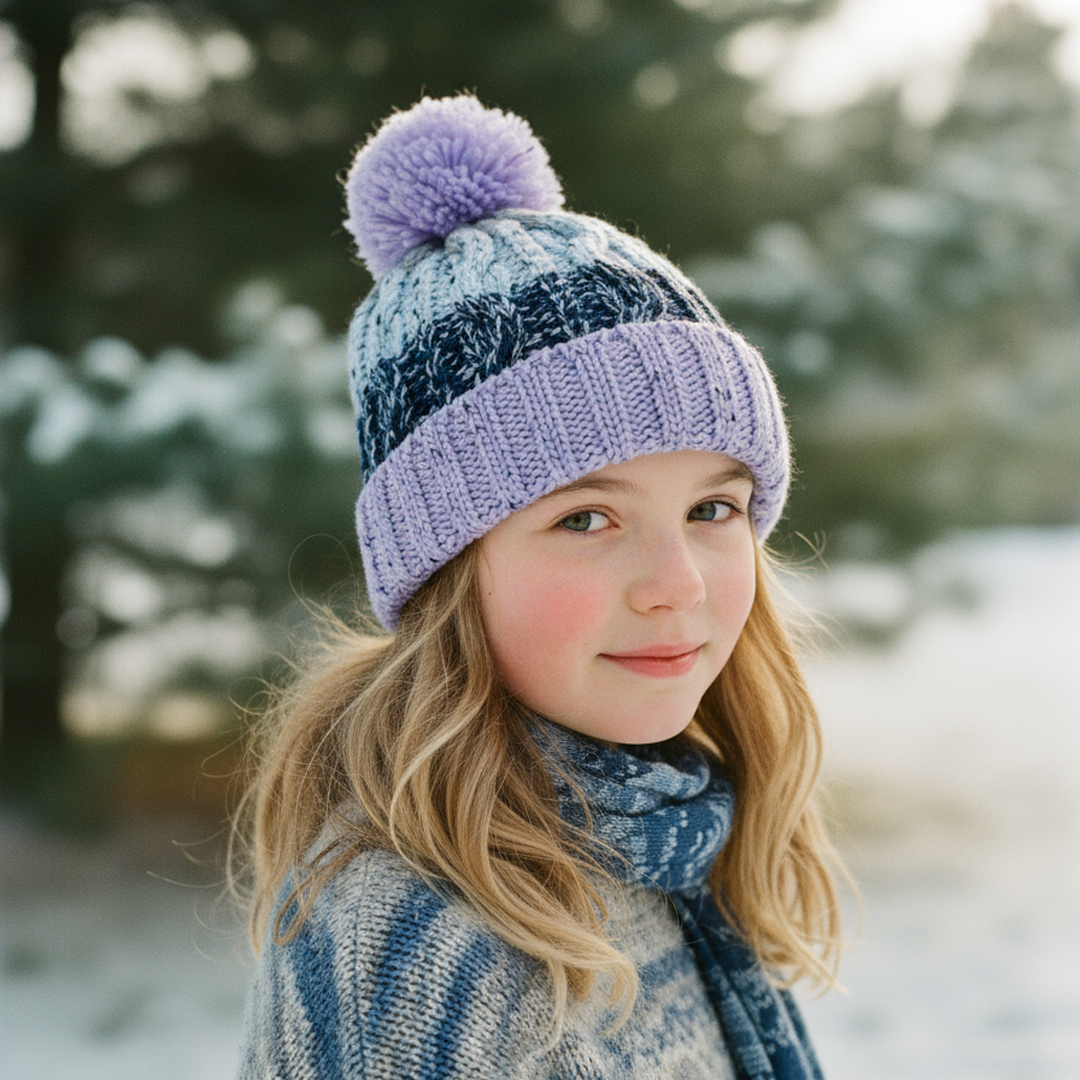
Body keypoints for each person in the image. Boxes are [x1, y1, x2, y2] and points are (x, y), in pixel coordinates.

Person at [235, 93, 845, 1080]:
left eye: (713, 509)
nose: (675, 585)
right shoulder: (417, 945)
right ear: (446, 570)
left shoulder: (667, 834)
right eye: (586, 519)